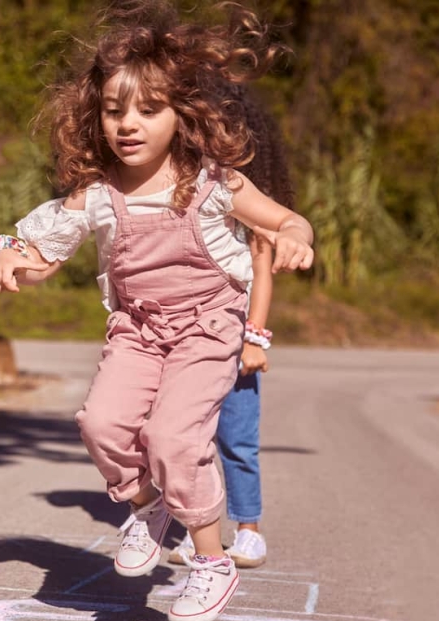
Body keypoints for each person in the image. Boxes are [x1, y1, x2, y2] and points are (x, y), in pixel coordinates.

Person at [0, 0, 313, 621]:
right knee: (101, 424)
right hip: (136, 331)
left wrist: (297, 237)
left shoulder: (215, 182)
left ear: (181, 113)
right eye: (113, 111)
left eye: (147, 110)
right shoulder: (98, 193)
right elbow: (40, 254)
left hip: (208, 330)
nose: (127, 125)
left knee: (172, 438)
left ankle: (211, 560)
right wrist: (2, 255)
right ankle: (147, 505)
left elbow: (285, 219)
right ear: (96, 115)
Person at [167, 84, 298, 570]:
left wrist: (254, 337)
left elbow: (261, 277)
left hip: (237, 342)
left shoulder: (248, 215)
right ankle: (200, 529)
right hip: (190, 340)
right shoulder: (185, 201)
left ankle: (249, 529)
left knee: (236, 440)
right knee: (189, 438)